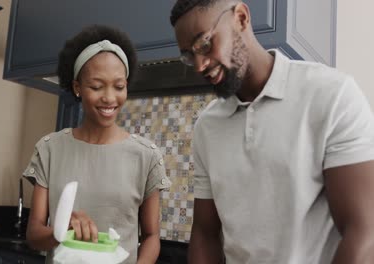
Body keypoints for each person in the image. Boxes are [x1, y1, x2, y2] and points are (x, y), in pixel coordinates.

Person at [170, 0, 374, 263]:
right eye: (189, 55)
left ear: (241, 18)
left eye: (205, 44)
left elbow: (364, 231)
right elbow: (205, 233)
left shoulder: (332, 95)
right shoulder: (207, 126)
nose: (199, 65)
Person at [23, 25, 171, 264]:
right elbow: (34, 235)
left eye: (119, 86)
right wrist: (60, 231)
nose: (110, 98)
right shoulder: (49, 149)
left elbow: (152, 236)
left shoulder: (146, 156)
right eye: (96, 86)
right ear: (77, 88)